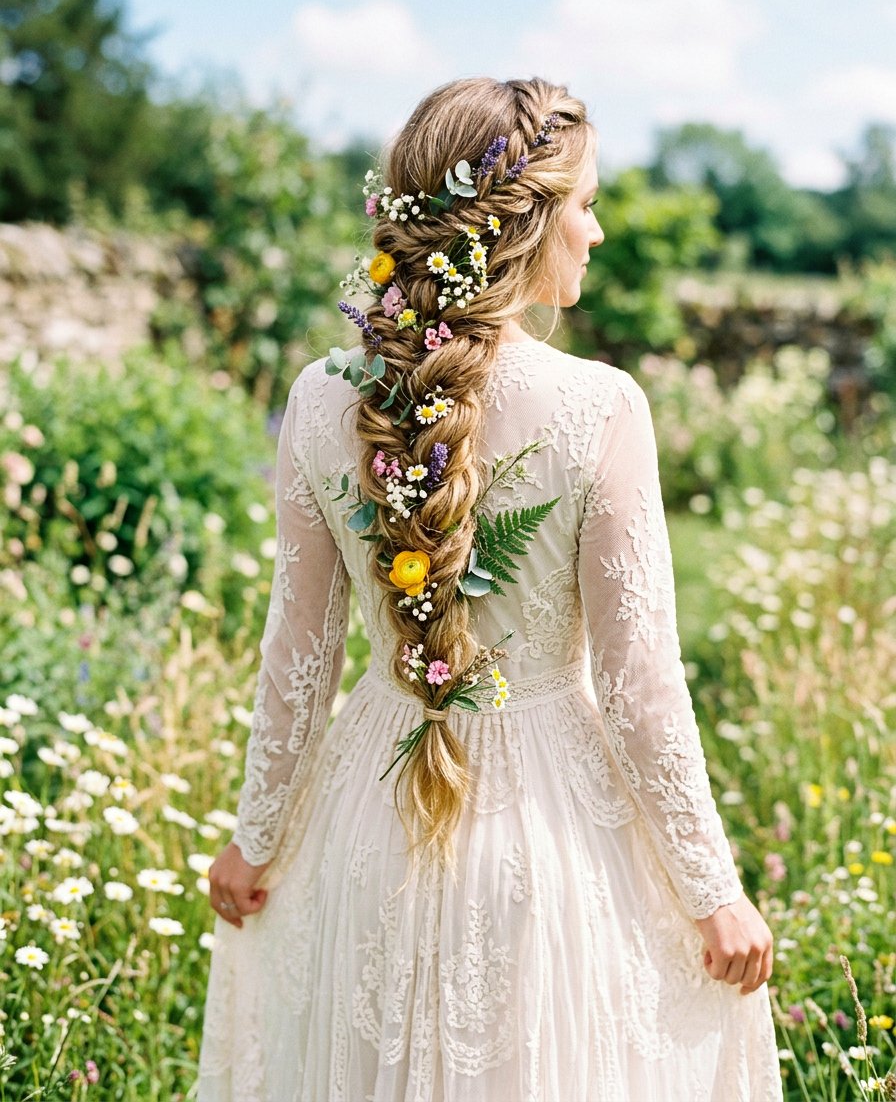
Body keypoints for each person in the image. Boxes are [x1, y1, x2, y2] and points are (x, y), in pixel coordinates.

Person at [196, 76, 784, 1101]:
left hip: (362, 819)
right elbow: (642, 688)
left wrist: (256, 839)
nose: (594, 233)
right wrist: (710, 892)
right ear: (522, 223)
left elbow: (297, 656)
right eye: (585, 204)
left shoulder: (321, 396)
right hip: (544, 844)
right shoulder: (600, 406)